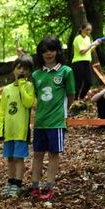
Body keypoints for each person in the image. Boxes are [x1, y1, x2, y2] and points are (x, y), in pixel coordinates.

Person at [30, 37, 75, 200]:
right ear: (40, 54)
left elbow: (71, 96)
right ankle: (34, 184)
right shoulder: (36, 75)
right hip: (40, 121)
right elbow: (35, 97)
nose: (48, 54)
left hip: (56, 122)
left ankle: (49, 186)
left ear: (57, 51)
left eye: (51, 50)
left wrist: (62, 112)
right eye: (44, 51)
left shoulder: (66, 71)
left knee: (53, 154)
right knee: (37, 153)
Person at [0, 55, 35, 198]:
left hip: (21, 131)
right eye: (19, 68)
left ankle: (18, 184)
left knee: (19, 158)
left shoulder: (30, 87)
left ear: (29, 72)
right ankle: (10, 182)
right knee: (10, 158)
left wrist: (21, 86)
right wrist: (0, 130)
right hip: (9, 132)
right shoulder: (6, 89)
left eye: (25, 69)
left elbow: (28, 103)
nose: (21, 71)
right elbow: (2, 111)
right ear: (13, 70)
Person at [72, 22, 101, 100]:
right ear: (81, 29)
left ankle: (81, 98)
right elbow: (82, 52)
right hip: (78, 62)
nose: (88, 32)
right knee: (78, 82)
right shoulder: (77, 38)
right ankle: (75, 99)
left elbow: (89, 51)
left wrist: (96, 45)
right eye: (87, 30)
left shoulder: (88, 38)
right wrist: (92, 44)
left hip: (87, 62)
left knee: (89, 82)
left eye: (90, 30)